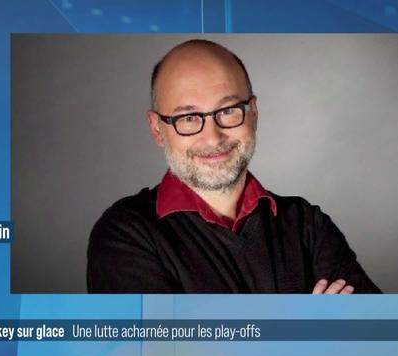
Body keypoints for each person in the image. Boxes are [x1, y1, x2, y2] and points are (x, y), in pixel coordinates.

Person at [87, 39, 381, 294]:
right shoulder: (125, 235)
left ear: (253, 112)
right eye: (188, 118)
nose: (213, 137)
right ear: (156, 129)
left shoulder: (307, 225)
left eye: (227, 111)